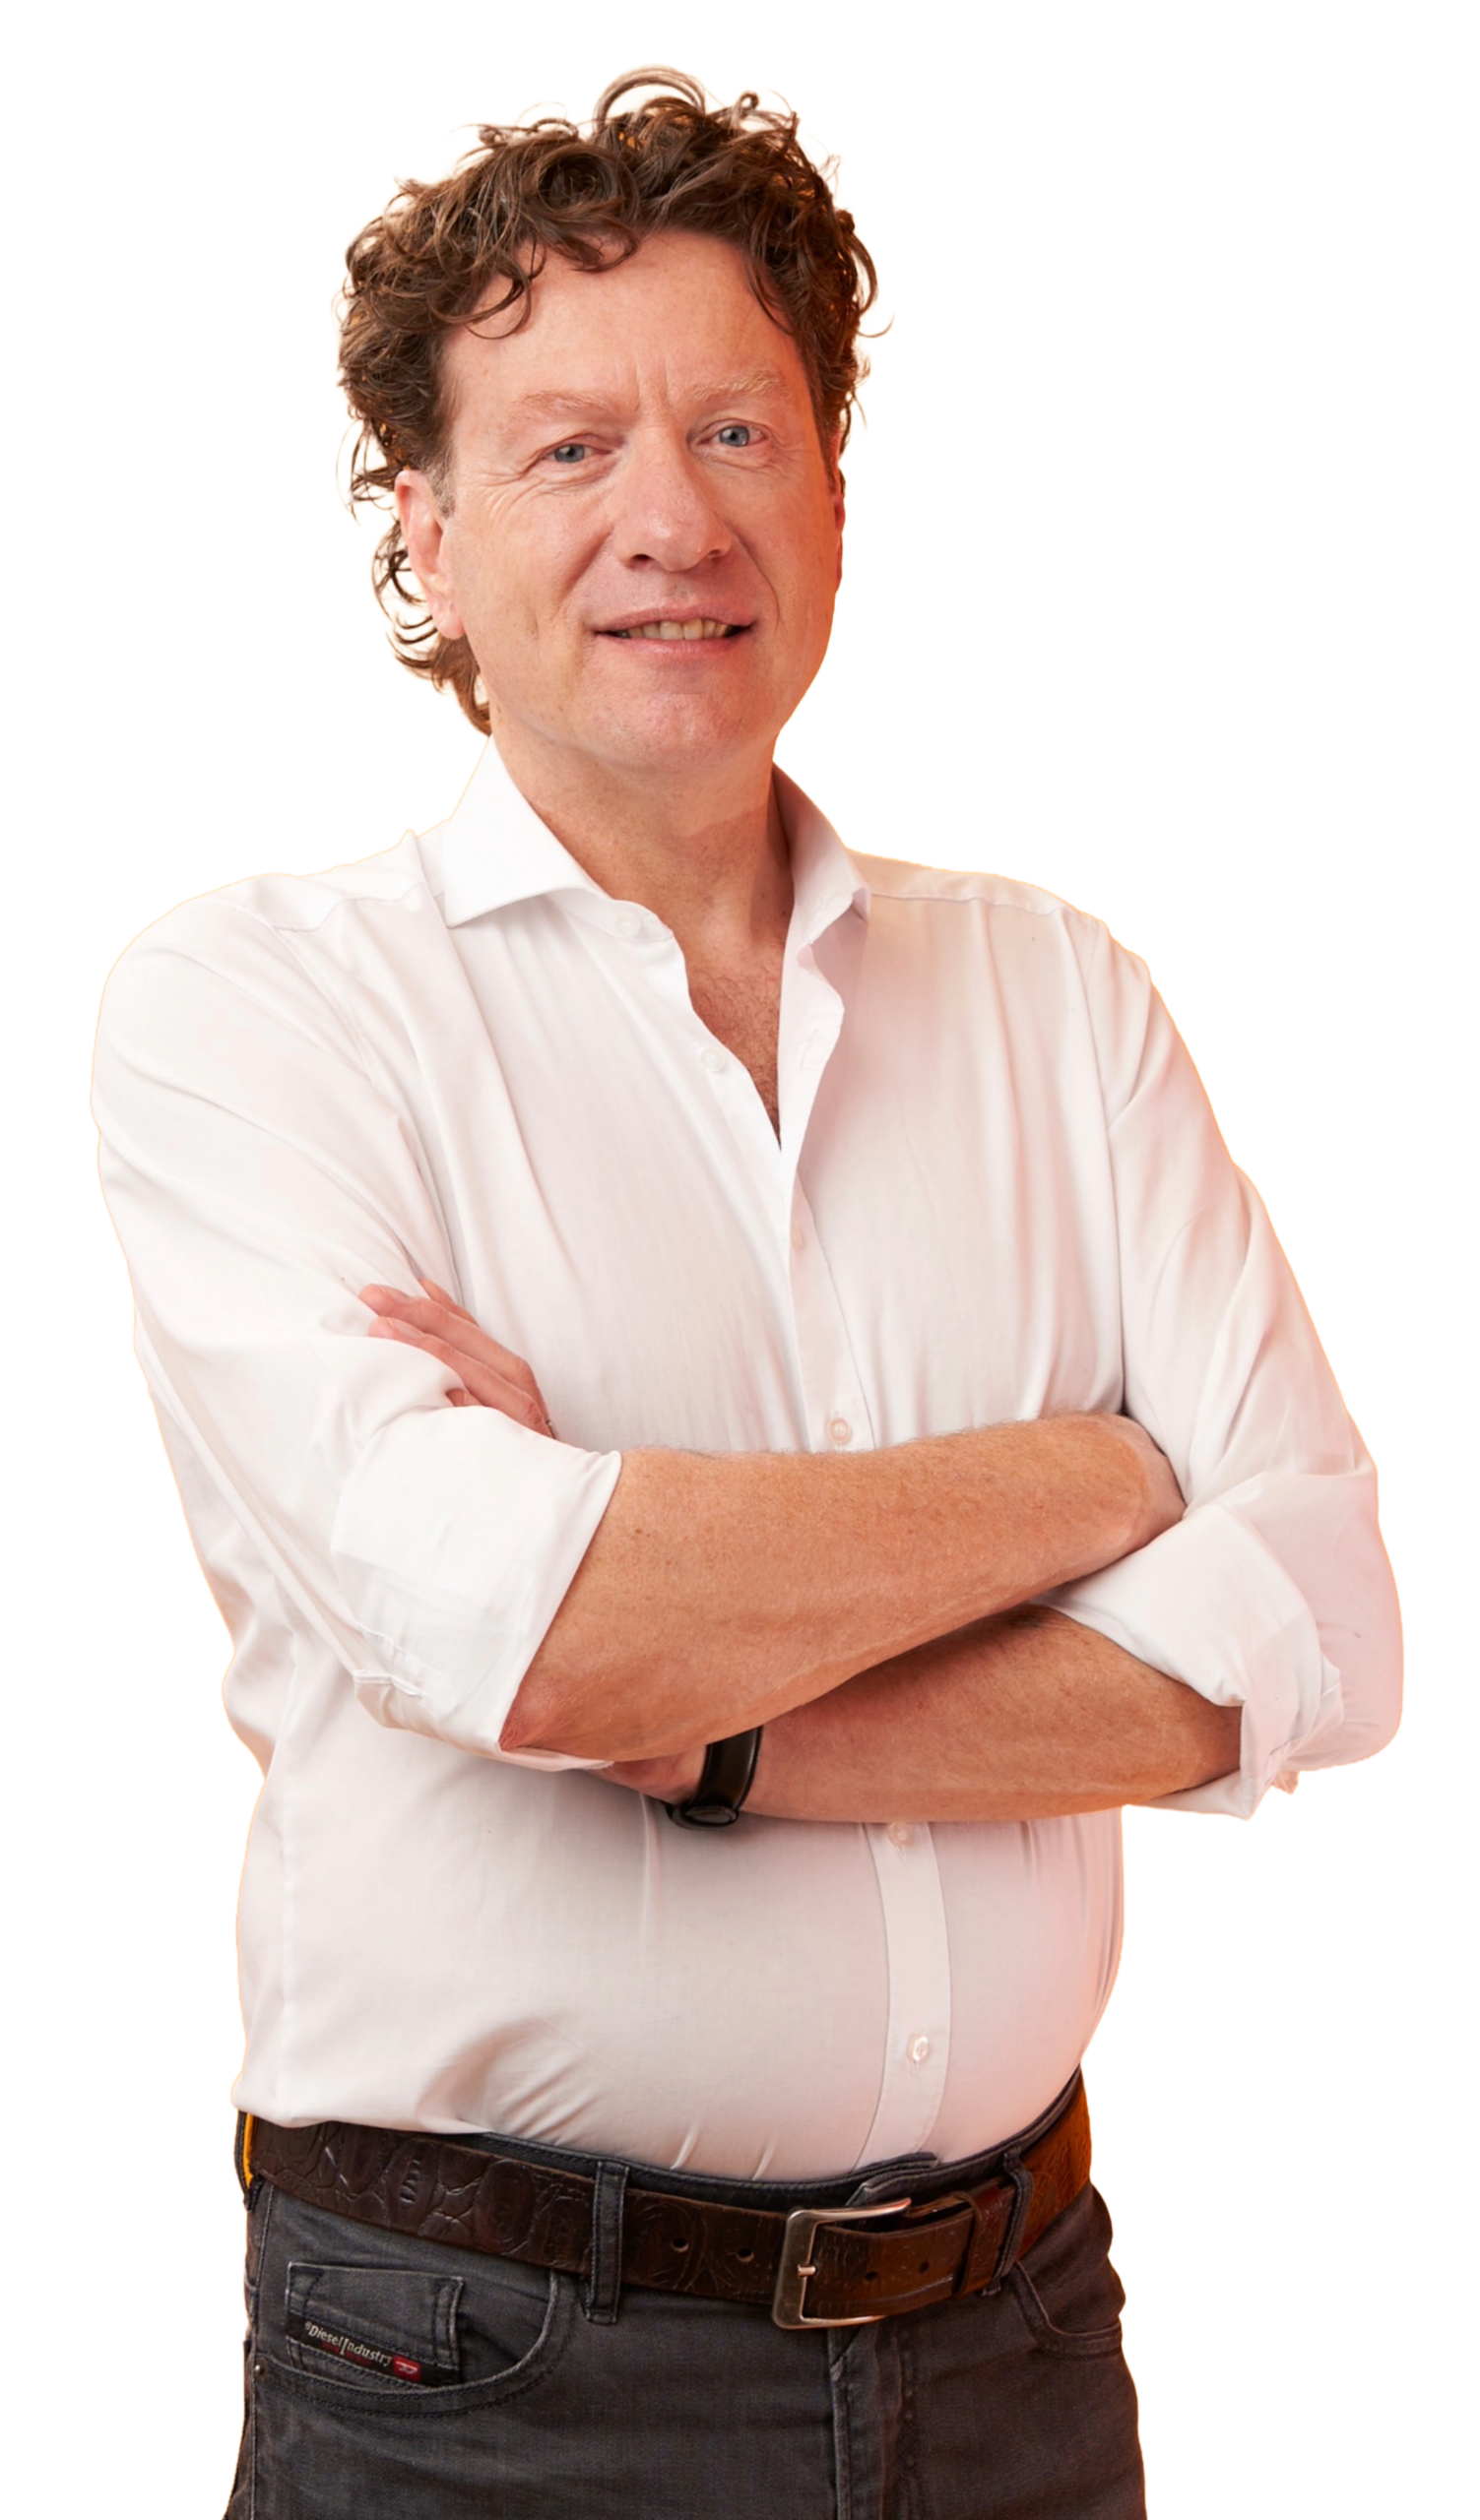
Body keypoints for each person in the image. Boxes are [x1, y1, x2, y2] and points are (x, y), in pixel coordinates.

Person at [92, 64, 1402, 2519]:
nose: (671, 519)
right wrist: (1097, 1478)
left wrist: (718, 1739)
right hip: (488, 2377)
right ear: (426, 534)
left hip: (1025, 2338)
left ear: (829, 494)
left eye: (735, 431)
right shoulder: (254, 1004)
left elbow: (1325, 1627)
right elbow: (530, 1631)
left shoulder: (1057, 990)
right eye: (569, 448)